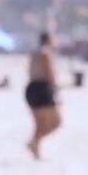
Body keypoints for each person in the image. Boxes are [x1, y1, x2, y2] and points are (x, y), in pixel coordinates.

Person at [24, 31, 61, 159]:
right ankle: (34, 143)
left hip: (31, 88)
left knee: (39, 123)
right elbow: (49, 72)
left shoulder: (34, 53)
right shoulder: (45, 53)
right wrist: (55, 87)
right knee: (56, 121)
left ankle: (36, 148)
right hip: (42, 88)